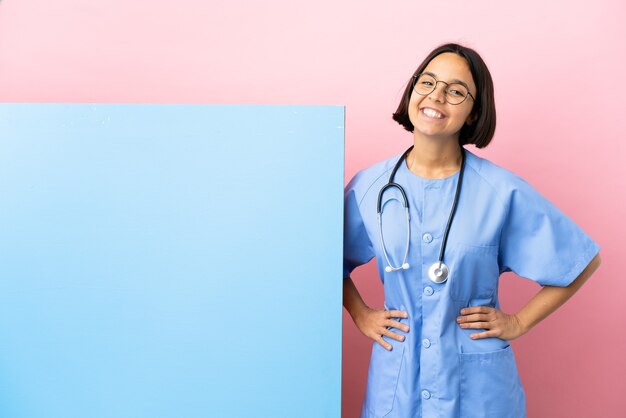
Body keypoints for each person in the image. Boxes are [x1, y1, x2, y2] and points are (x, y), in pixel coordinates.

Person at [342, 43, 601, 418]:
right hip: (398, 385)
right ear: (412, 90)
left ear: (474, 111)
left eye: (456, 90)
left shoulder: (500, 190)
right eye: (427, 82)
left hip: (479, 388)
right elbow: (324, 259)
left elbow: (580, 261)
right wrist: (360, 313)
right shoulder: (370, 187)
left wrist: (518, 321)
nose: (436, 96)